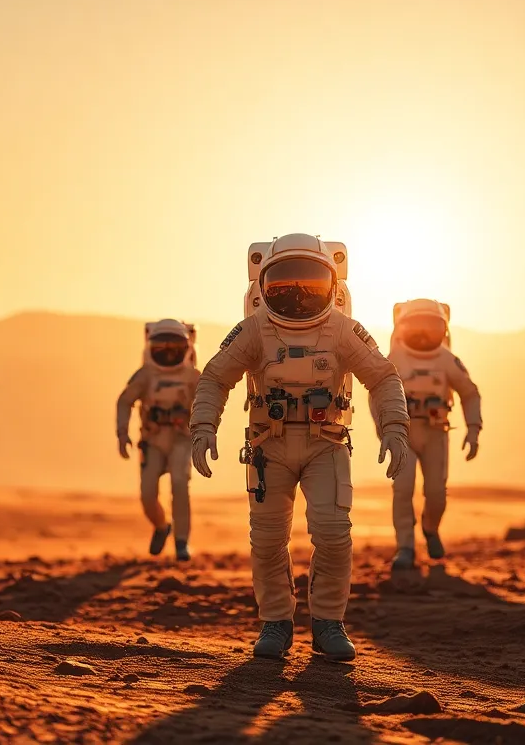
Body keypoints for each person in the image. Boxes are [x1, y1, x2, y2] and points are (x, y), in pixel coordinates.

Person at [190, 234, 411, 661]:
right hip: (267, 444)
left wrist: (395, 427)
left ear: (332, 286)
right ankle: (276, 621)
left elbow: (383, 378)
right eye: (283, 284)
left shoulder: (344, 331)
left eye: (309, 284)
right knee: (268, 539)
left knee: (332, 533)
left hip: (324, 443)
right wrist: (203, 426)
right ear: (262, 286)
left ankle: (328, 621)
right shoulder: (254, 330)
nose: (295, 294)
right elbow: (215, 377)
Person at [382, 298, 482, 570]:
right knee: (402, 490)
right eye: (416, 327)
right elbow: (378, 395)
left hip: (436, 433)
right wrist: (387, 430)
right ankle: (405, 546)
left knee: (436, 493)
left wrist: (473, 429)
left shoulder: (447, 360)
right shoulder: (394, 360)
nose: (424, 334)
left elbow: (469, 394)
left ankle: (430, 528)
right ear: (401, 327)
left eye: (430, 327)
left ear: (443, 329)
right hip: (405, 433)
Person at [116, 320, 201, 560]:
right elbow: (124, 401)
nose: (168, 352)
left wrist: (204, 430)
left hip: (181, 438)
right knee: (147, 493)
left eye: (174, 346)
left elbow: (208, 401)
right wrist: (122, 433)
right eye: (161, 347)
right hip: (152, 439)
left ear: (187, 346)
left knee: (180, 484)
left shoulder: (193, 376)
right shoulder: (145, 375)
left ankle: (182, 542)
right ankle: (162, 526)